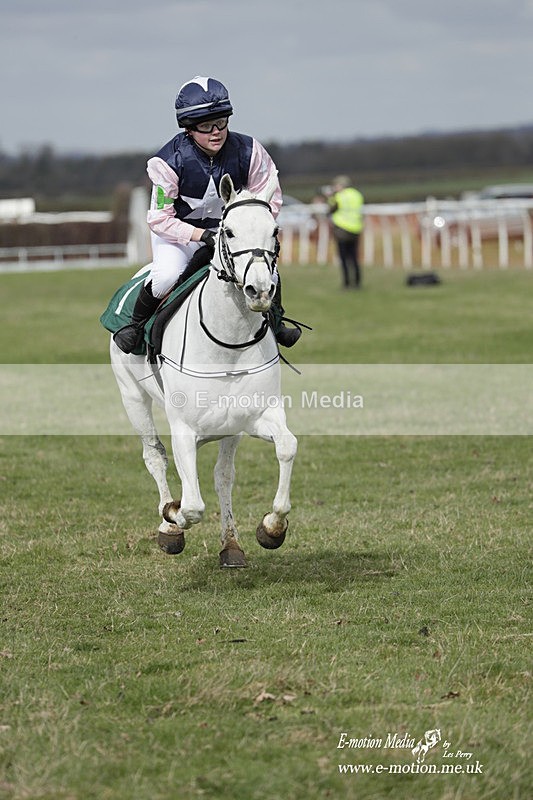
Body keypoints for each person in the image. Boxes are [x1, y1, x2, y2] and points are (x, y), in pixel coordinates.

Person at [113, 76, 300, 353]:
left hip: (233, 234)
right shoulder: (167, 162)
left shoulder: (251, 152)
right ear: (188, 128)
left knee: (267, 274)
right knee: (167, 276)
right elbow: (159, 219)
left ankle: (276, 321)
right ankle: (136, 326)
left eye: (221, 122)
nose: (216, 132)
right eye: (205, 126)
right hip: (179, 235)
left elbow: (270, 198)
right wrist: (202, 235)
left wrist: (250, 232)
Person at [327, 175, 364, 289]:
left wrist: (330, 196)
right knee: (354, 257)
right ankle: (357, 282)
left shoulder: (339, 196)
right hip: (356, 229)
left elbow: (331, 209)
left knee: (343, 258)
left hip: (342, 230)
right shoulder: (357, 194)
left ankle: (346, 283)